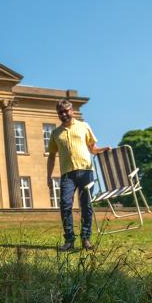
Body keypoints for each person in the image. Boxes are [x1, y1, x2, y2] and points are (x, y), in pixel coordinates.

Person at [47, 99, 111, 251]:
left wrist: (103, 149)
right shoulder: (56, 133)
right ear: (58, 114)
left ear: (72, 111)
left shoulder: (84, 126)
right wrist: (48, 176)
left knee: (86, 205)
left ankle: (86, 238)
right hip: (67, 174)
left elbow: (92, 148)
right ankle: (69, 240)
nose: (64, 114)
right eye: (60, 112)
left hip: (86, 171)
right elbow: (51, 156)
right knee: (65, 205)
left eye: (66, 111)